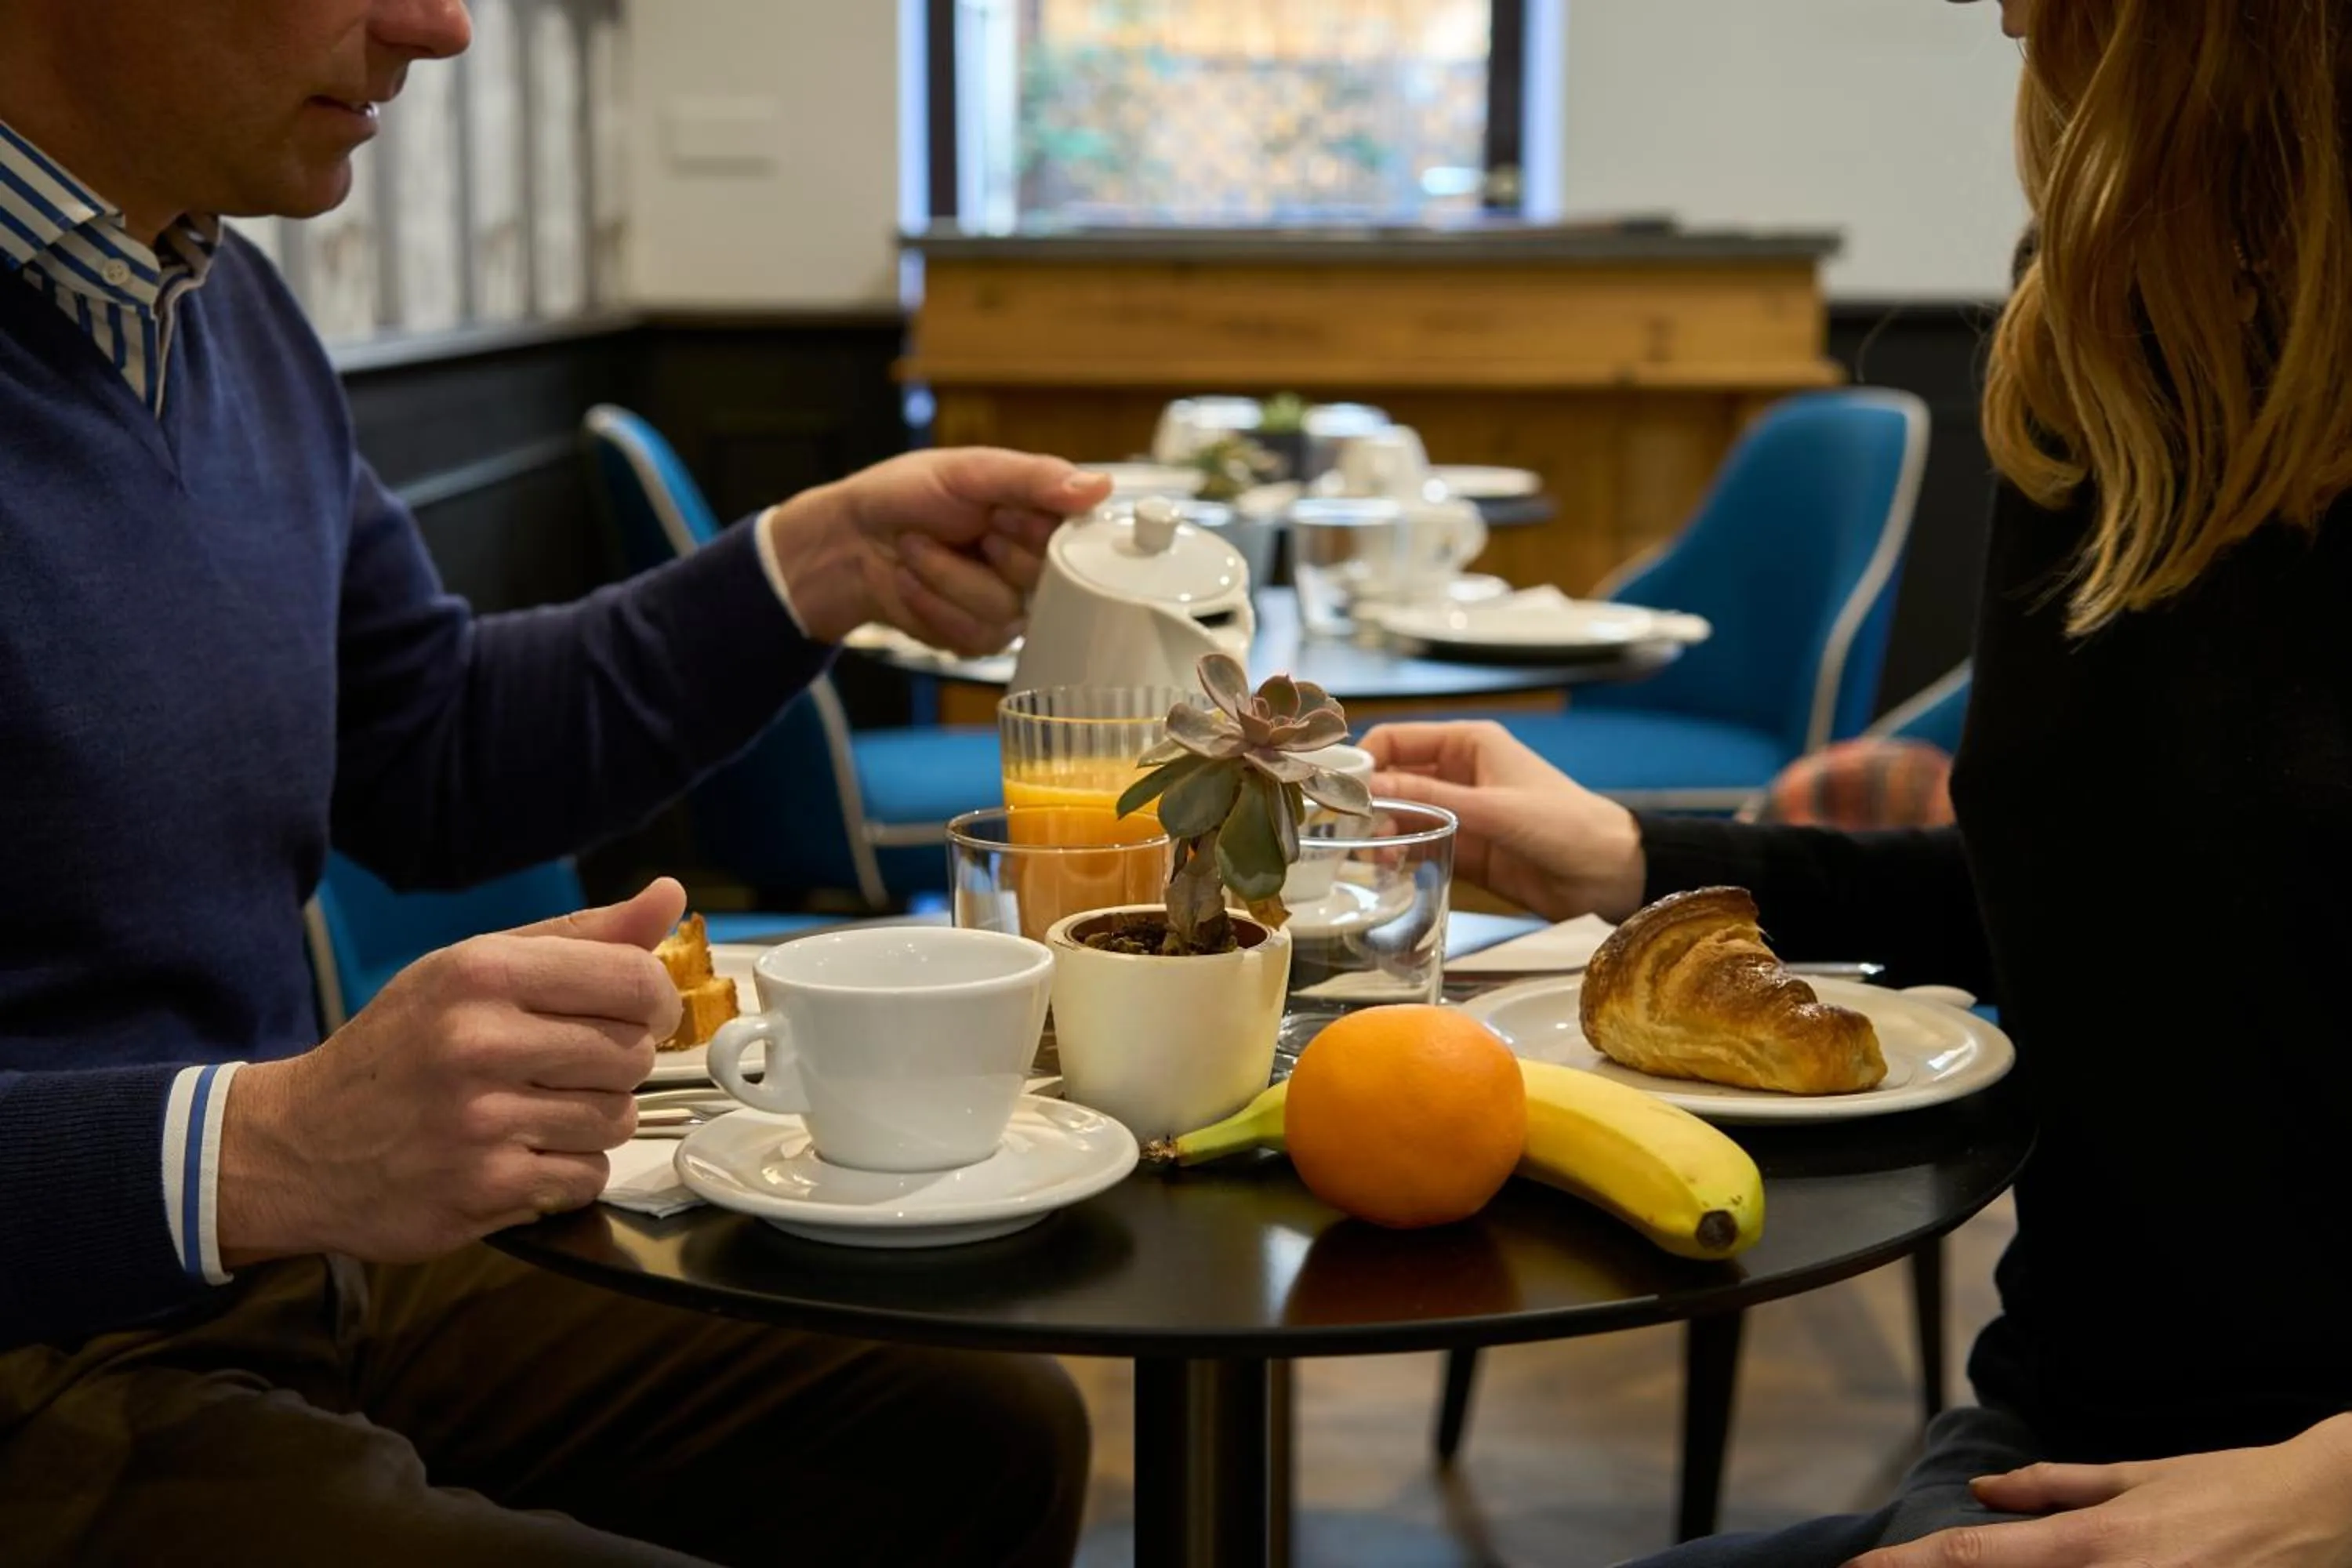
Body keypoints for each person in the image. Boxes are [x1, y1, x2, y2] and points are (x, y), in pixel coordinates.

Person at [0, 2, 1109, 1563]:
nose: (437, 26)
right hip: (50, 1350)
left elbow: (432, 753)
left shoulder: (214, 304)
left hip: (263, 1260)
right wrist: (264, 1148)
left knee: (977, 1427)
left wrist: (821, 561)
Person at [1368, 0, 2352, 1563]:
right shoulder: (2107, 332)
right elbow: (2130, 903)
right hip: (2061, 1438)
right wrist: (1629, 858)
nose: (1994, 10)